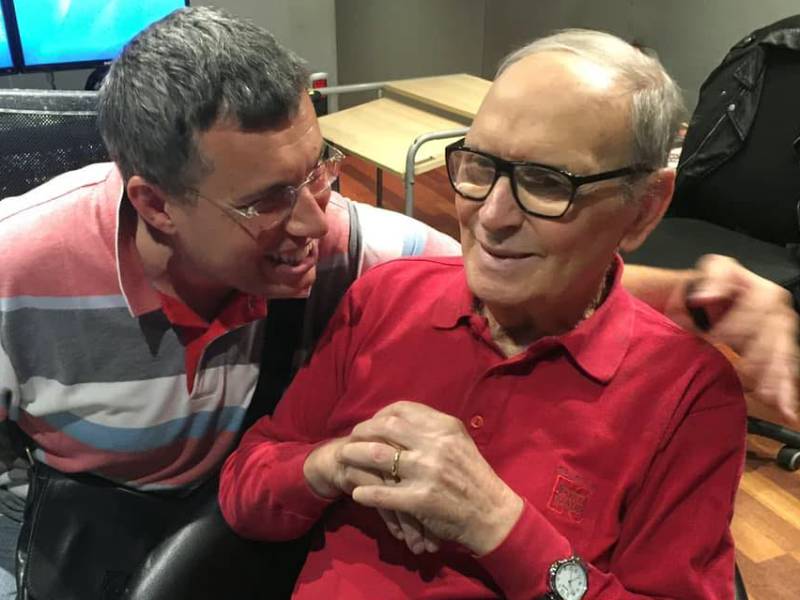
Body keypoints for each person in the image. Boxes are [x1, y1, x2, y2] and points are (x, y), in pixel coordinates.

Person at [0, 5, 796, 595]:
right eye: (267, 199)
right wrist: (324, 465)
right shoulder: (16, 268)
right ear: (157, 205)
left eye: (319, 171)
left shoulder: (363, 258)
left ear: (646, 207)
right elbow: (259, 480)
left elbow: (522, 272)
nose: (319, 223)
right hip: (77, 525)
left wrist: (696, 292)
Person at [219, 30, 748, 599]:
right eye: (478, 165)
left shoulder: (689, 398)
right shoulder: (386, 297)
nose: (491, 216)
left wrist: (499, 526)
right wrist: (331, 465)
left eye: (548, 183)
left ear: (644, 209)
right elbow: (246, 485)